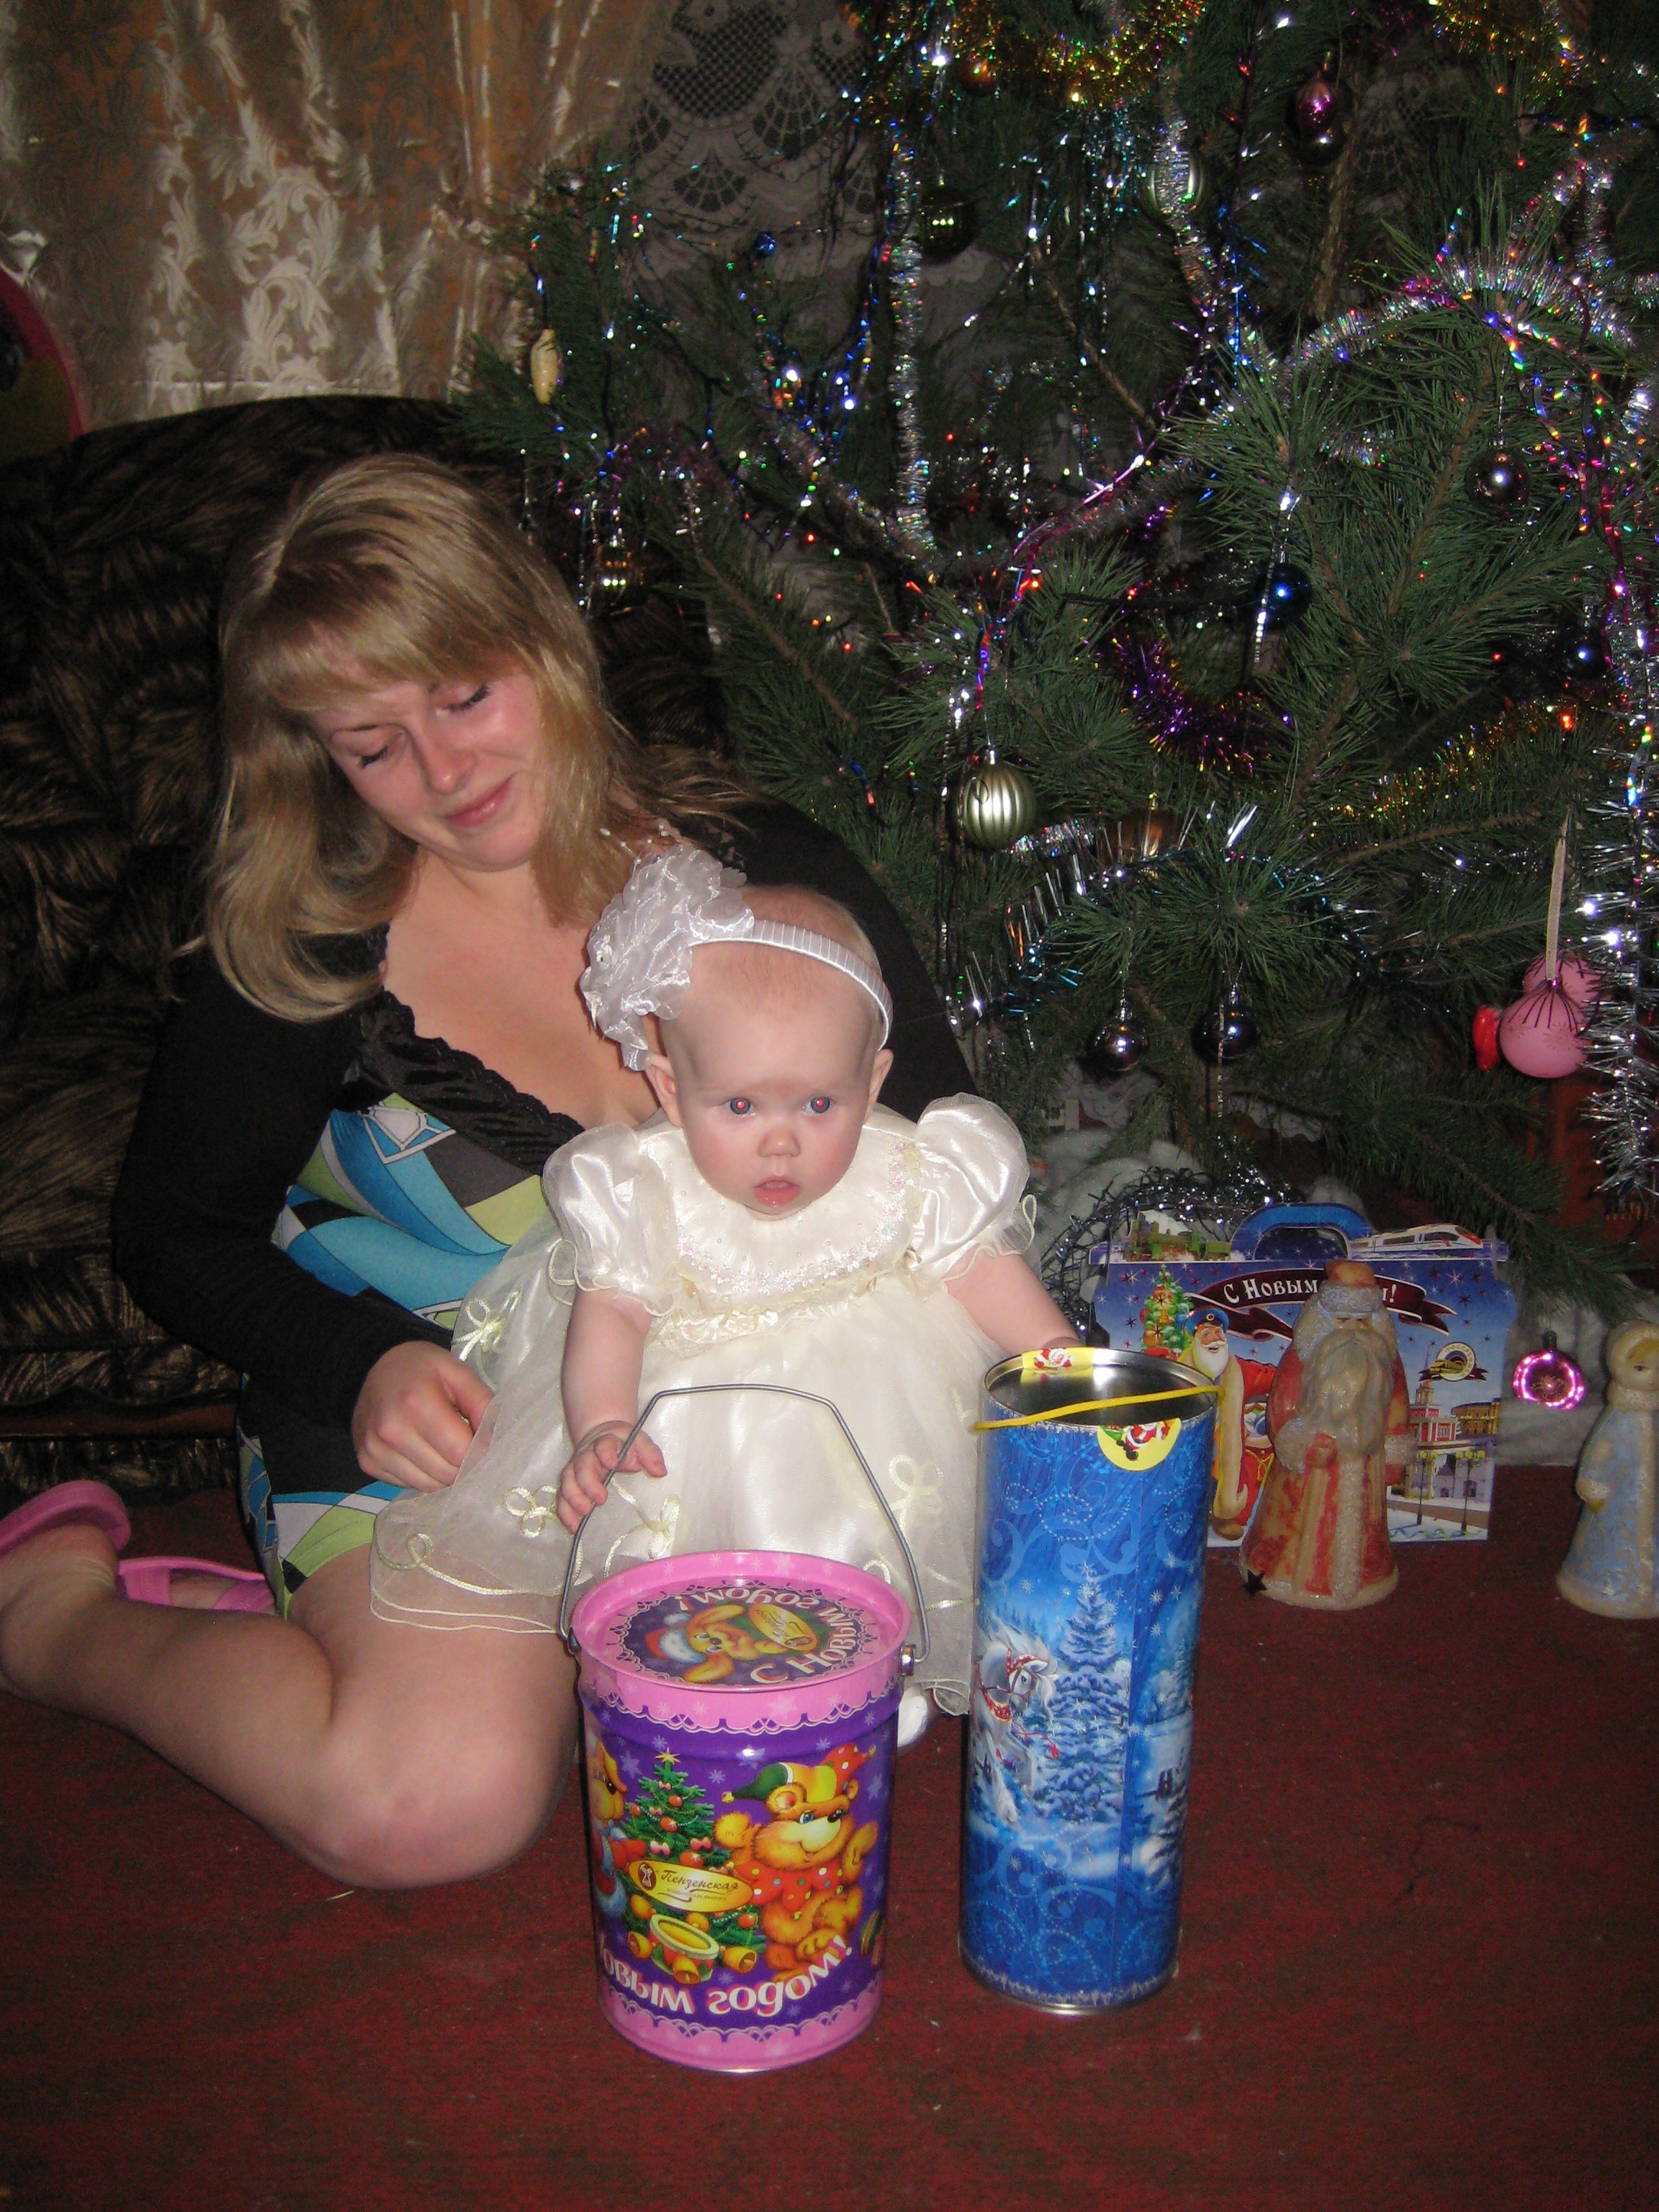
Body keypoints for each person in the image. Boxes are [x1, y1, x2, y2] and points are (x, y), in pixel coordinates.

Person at [0, 453, 973, 1889]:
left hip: (730, 1425)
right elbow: (171, 1234)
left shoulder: (767, 876)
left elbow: (943, 1155)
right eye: (372, 743)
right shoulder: (308, 944)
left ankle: (408, 1649)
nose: (444, 774)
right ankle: (56, 1617)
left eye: (464, 696)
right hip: (423, 1424)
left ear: (543, 639)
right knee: (429, 1808)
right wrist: (357, 1363)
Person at [370, 848, 1079, 1735]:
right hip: (698, 1417)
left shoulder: (912, 1168)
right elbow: (614, 1309)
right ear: (671, 1089)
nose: (781, 1143)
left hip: (880, 1403)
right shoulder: (644, 1187)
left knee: (892, 1525)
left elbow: (977, 1268)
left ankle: (876, 1667)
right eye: (739, 1107)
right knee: (690, 1558)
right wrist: (602, 1422)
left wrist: (1060, 1358)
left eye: (819, 1105)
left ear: (872, 1080)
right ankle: (716, 1685)